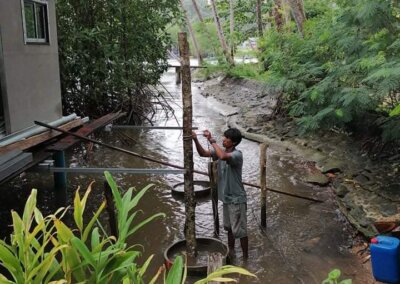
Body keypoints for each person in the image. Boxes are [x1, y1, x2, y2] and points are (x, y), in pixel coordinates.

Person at [192, 128, 248, 259]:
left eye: (226, 138)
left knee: (240, 231)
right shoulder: (221, 152)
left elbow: (223, 156)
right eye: (224, 137)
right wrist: (195, 139)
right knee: (229, 229)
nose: (223, 139)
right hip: (227, 199)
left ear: (233, 142)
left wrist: (212, 140)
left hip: (236, 199)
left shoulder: (237, 155)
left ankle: (246, 258)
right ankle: (232, 253)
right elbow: (203, 153)